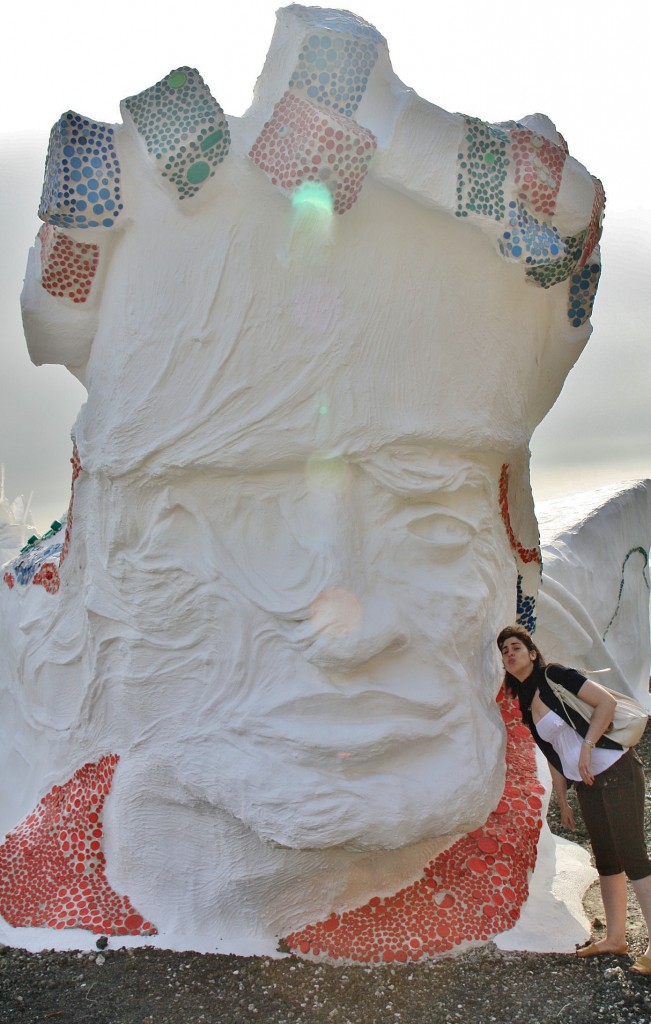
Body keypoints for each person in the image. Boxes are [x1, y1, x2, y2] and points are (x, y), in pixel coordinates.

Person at [498, 624, 651, 974]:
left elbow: (606, 703)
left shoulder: (555, 675)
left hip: (615, 769)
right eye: (504, 650)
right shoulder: (525, 702)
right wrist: (563, 802)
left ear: (532, 654)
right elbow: (553, 755)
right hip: (588, 783)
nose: (509, 653)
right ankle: (615, 939)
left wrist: (588, 746)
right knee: (607, 860)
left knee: (634, 855)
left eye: (516, 646)